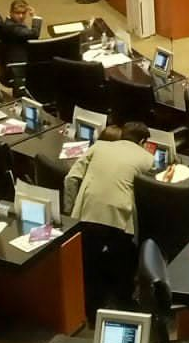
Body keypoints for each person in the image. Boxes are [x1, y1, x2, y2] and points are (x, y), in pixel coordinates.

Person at [63, 122, 153, 310]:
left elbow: (70, 179)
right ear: (143, 141)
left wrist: (69, 214)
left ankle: (90, 308)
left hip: (87, 213)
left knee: (89, 262)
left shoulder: (99, 146)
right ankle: (123, 303)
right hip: (118, 216)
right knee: (124, 260)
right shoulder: (146, 158)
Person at [0, 0, 39, 74]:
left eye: (23, 13)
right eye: (17, 13)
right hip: (17, 63)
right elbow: (34, 35)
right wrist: (35, 16)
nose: (21, 16)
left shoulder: (10, 22)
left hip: (16, 51)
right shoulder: (12, 27)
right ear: (11, 12)